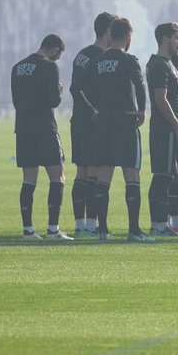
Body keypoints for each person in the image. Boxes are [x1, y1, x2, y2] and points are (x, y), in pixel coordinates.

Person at [92, 17, 150, 242]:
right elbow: (140, 85)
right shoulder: (129, 60)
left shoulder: (97, 61)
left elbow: (80, 87)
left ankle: (103, 230)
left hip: (104, 123)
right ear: (127, 36)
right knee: (131, 175)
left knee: (103, 177)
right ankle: (134, 230)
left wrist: (93, 109)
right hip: (125, 123)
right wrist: (142, 110)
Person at [11, 34, 70, 240]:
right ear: (54, 50)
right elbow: (53, 101)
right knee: (58, 176)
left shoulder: (17, 67)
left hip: (23, 129)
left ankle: (28, 230)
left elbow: (16, 101)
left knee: (29, 180)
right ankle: (53, 229)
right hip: (45, 128)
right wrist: (58, 92)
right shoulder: (49, 67)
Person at [68, 12, 115, 238]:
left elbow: (74, 87)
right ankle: (91, 224)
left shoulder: (81, 55)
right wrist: (93, 111)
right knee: (94, 172)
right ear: (108, 32)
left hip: (78, 120)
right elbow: (78, 88)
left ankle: (81, 225)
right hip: (93, 121)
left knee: (82, 172)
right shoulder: (100, 58)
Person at [147, 22, 178, 238]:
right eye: (176, 38)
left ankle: (160, 224)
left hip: (172, 130)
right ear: (165, 39)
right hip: (165, 129)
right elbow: (160, 99)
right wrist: (177, 125)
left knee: (170, 176)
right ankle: (159, 224)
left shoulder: (171, 62)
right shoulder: (159, 65)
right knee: (163, 177)